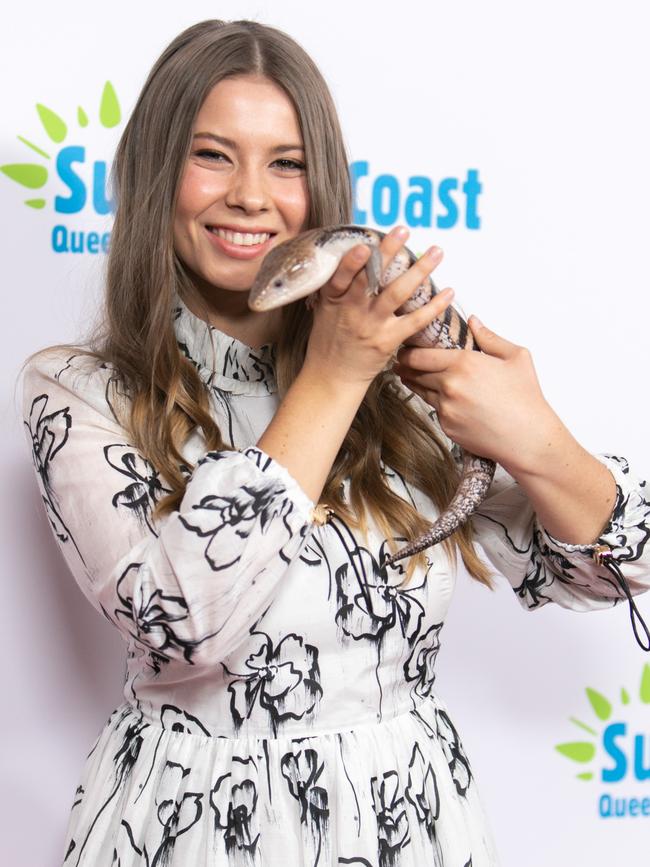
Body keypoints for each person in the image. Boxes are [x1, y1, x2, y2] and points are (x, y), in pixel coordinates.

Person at [20, 18, 650, 867]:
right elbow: (178, 624)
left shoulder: (403, 375)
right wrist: (334, 375)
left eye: (287, 162)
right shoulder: (79, 391)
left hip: (407, 824)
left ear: (321, 189)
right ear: (154, 173)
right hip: (190, 831)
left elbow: (610, 574)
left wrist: (539, 439)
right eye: (213, 155)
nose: (251, 194)